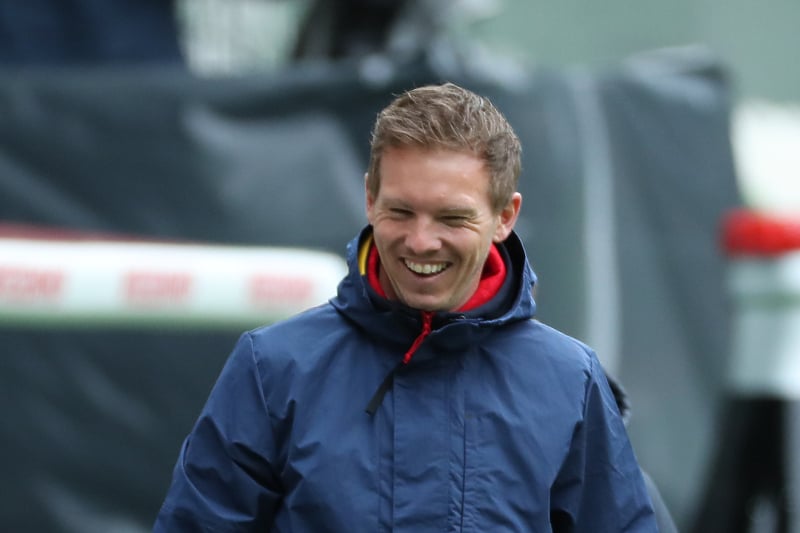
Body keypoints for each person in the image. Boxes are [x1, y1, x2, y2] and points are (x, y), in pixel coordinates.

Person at [154, 82, 658, 531]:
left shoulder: (570, 381)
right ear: (370, 199)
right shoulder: (273, 369)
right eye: (400, 211)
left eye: (451, 218)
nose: (421, 242)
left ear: (505, 216)